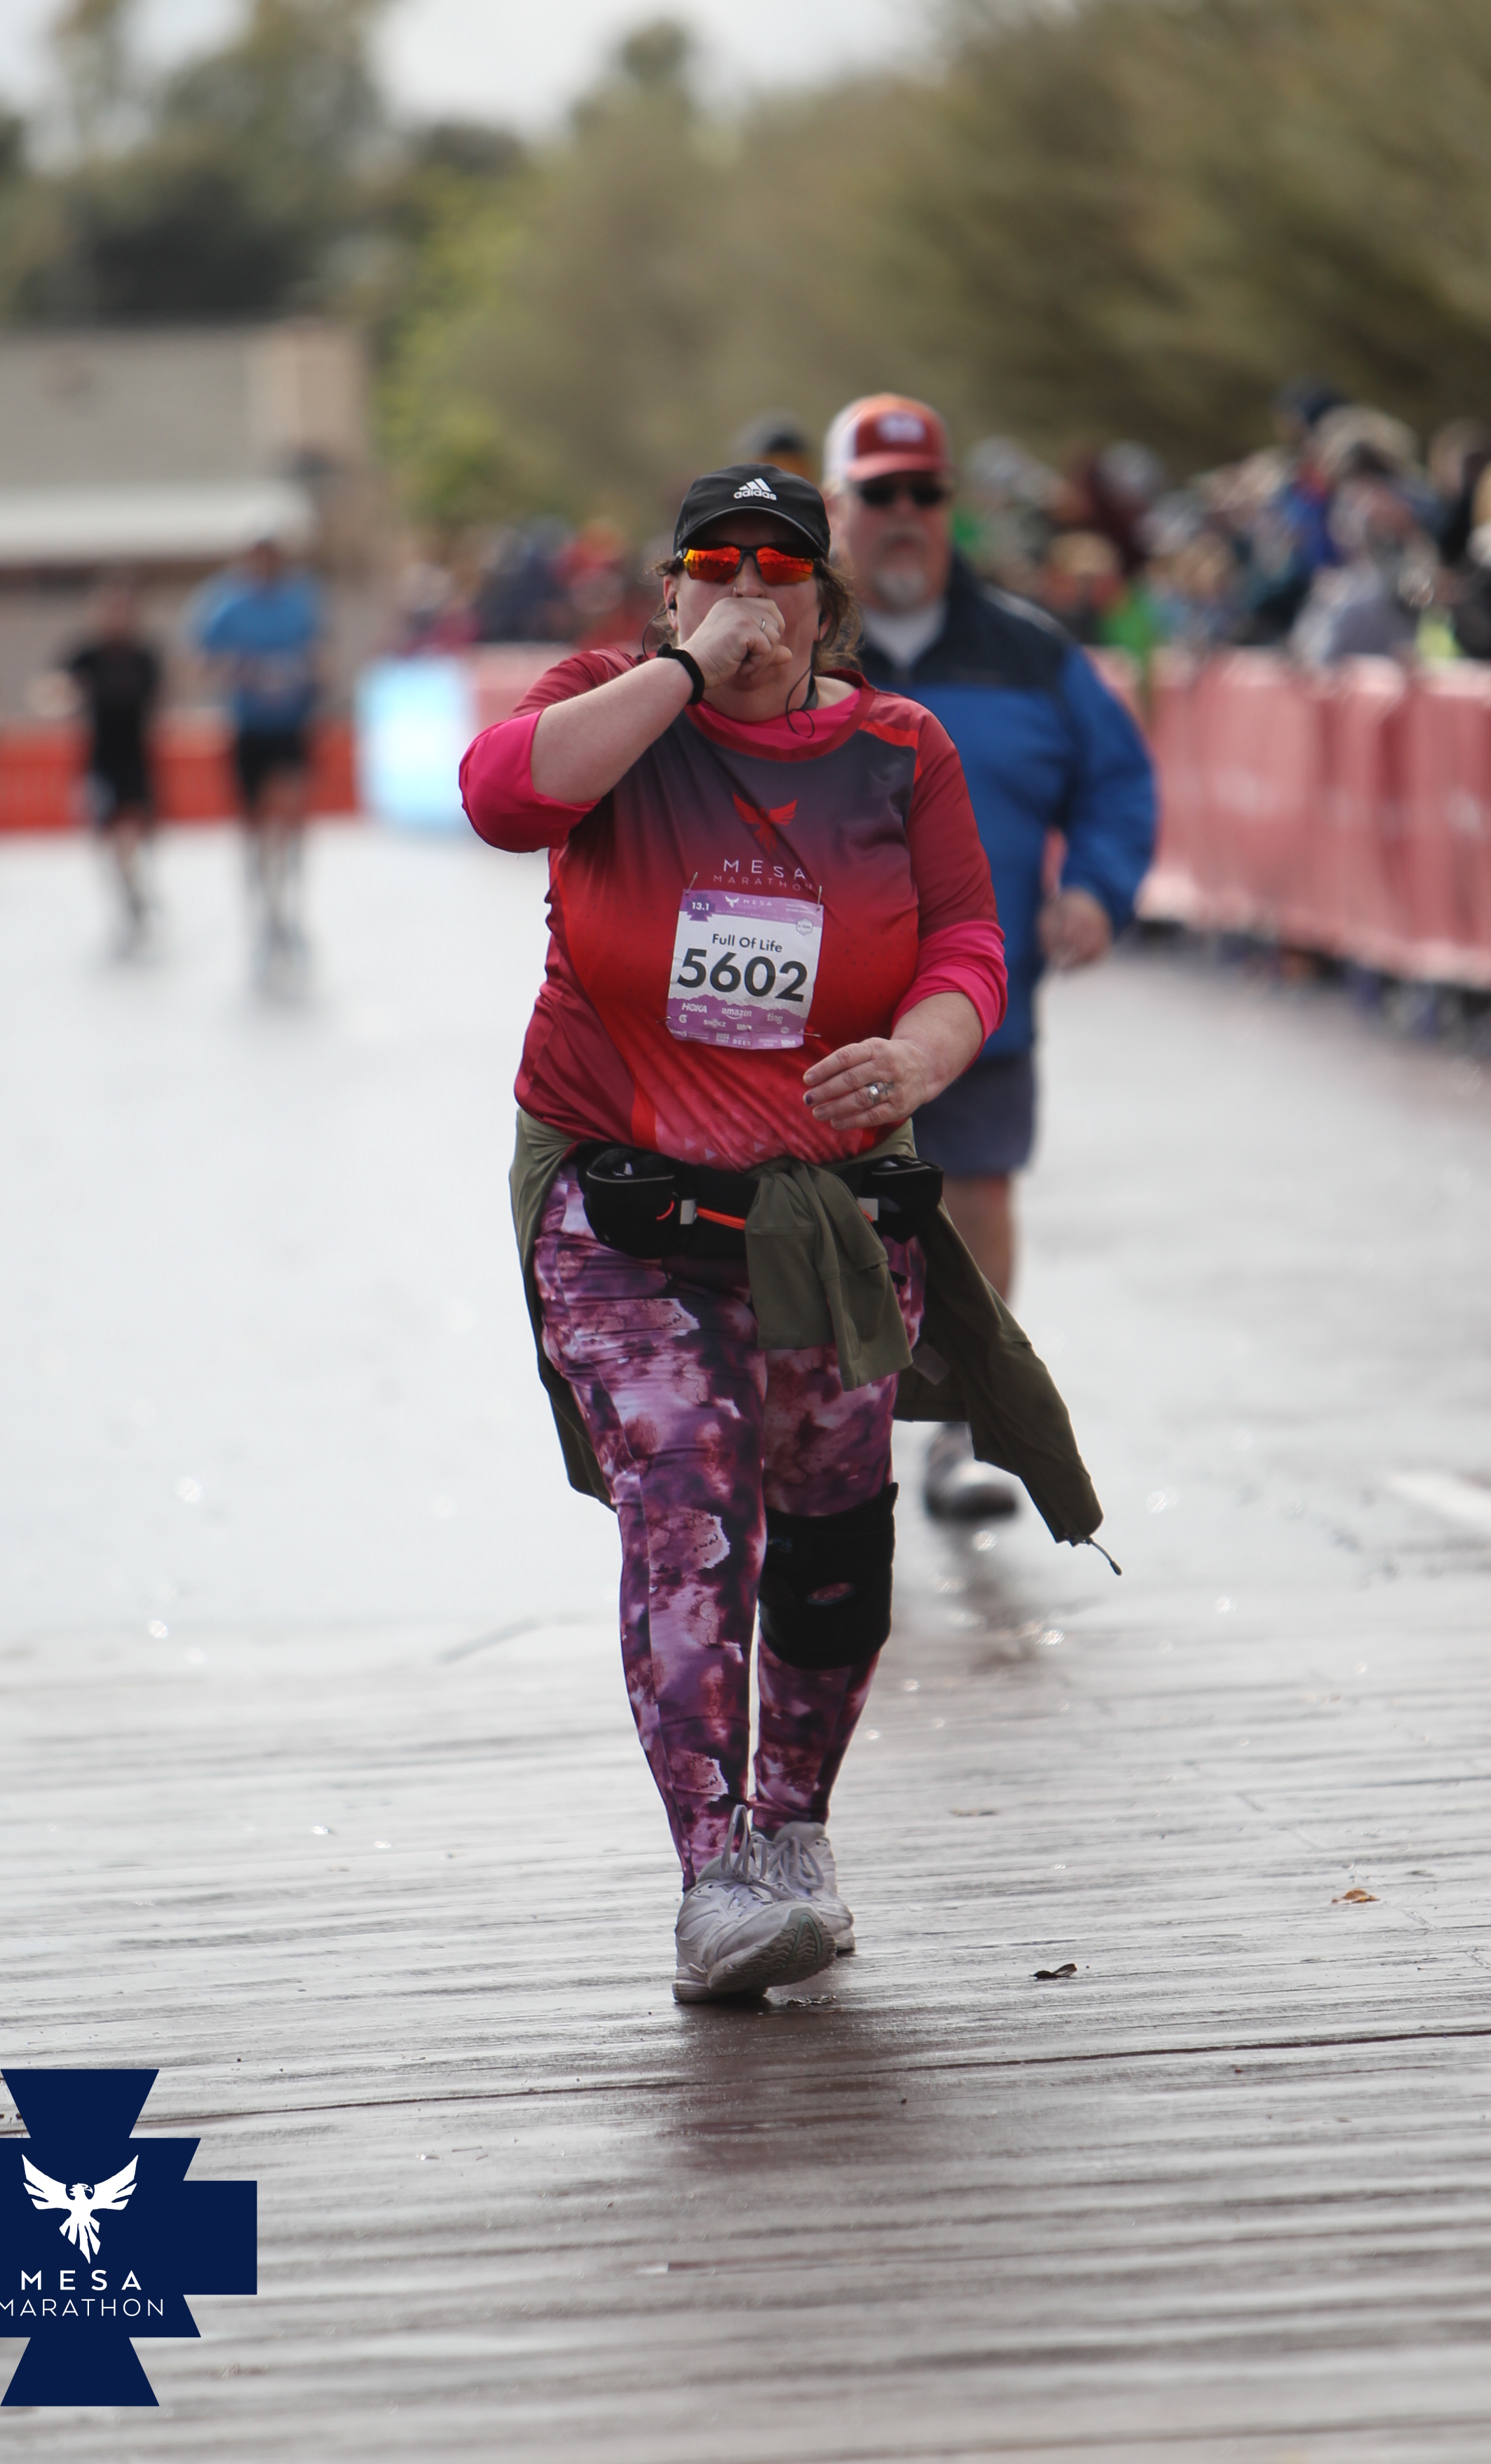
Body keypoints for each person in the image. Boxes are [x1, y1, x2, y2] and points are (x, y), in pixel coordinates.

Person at [461, 463, 1102, 2002]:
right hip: (619, 1196)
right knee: (685, 1495)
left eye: (778, 568)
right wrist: (684, 675)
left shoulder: (896, 747)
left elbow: (965, 937)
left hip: (820, 1200)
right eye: (714, 563)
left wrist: (924, 1056)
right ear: (671, 587)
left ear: (824, 603)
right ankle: (711, 1879)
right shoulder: (606, 702)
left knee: (828, 1532)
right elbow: (501, 800)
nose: (747, 587)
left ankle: (792, 1830)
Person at [824, 395, 1157, 1521]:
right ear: (838, 505)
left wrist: (1097, 888)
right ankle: (833, 1433)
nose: (906, 514)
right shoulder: (794, 646)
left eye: (926, 492)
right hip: (816, 1011)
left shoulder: (1029, 649)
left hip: (979, 999)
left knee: (975, 1198)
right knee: (821, 1218)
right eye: (881, 493)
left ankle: (959, 1429)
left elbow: (1118, 780)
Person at [190, 537, 323, 974]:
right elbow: (201, 659)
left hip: (290, 725)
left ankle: (289, 902)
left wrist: (305, 673)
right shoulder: (227, 602)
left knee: (291, 814)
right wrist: (239, 669)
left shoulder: (300, 597)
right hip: (249, 729)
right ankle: (263, 903)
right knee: (255, 826)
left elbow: (320, 653)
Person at [62, 578, 162, 951]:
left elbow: (158, 701)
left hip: (136, 756)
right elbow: (57, 691)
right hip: (101, 758)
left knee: (134, 829)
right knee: (108, 832)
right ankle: (125, 890)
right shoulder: (87, 657)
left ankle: (134, 884)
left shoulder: (143, 657)